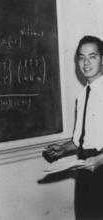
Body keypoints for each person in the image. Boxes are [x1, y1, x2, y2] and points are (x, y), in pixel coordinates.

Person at [43, 35, 103, 220]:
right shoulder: (82, 96)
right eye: (81, 57)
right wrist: (62, 149)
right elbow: (79, 141)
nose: (86, 62)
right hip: (86, 168)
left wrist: (100, 160)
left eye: (92, 56)